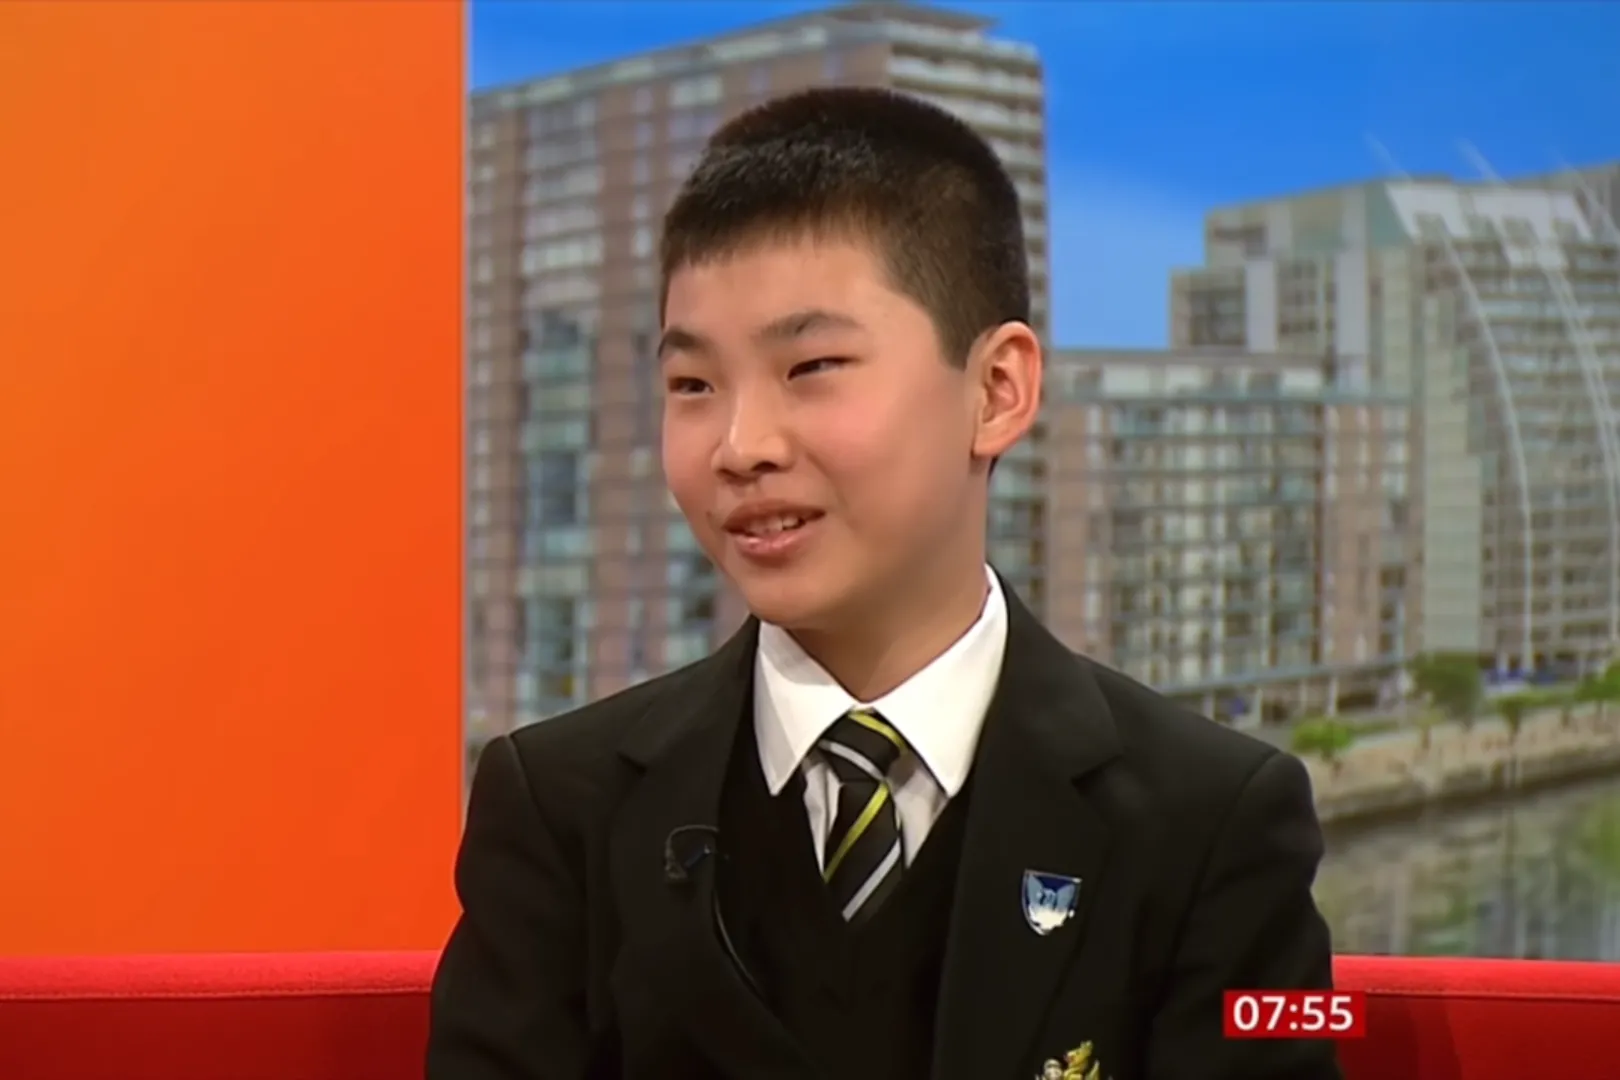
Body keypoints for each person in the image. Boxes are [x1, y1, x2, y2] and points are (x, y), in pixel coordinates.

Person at [427, 86, 1342, 1080]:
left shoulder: (1216, 821)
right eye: (693, 385)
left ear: (997, 390)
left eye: (812, 366)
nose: (740, 445)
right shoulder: (561, 810)